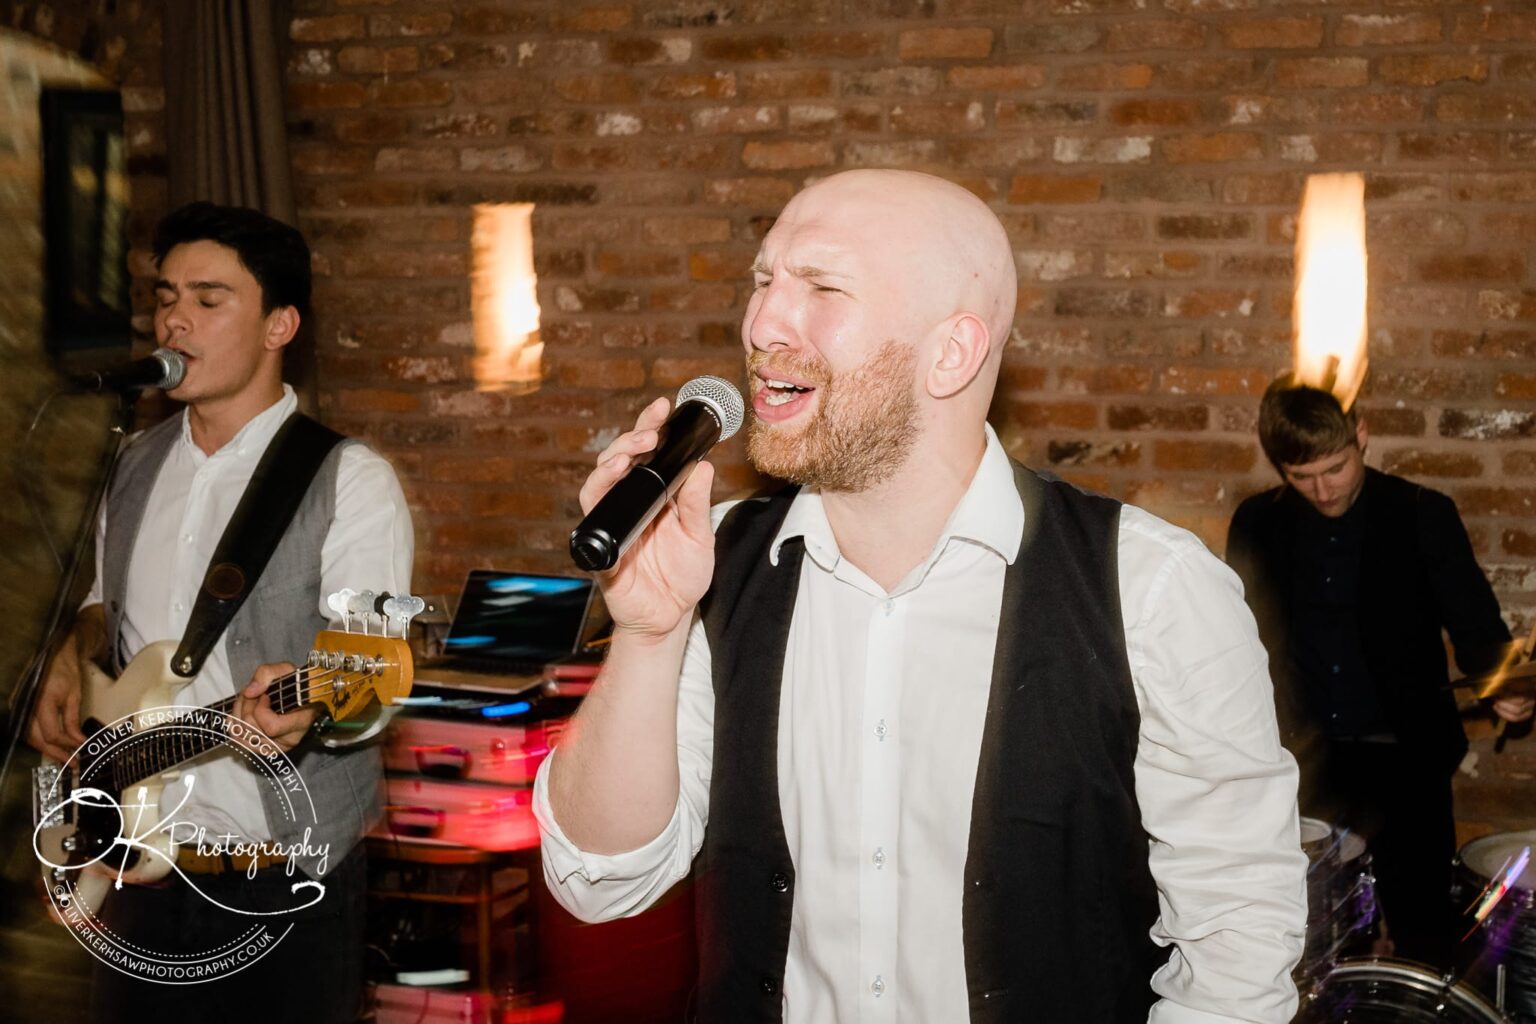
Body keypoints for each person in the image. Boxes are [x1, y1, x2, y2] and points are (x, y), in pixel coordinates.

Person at [535, 169, 1307, 1023]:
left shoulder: (1152, 587)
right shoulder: (715, 562)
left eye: (822, 287)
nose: (761, 324)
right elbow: (598, 880)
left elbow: (1238, 941)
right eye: (763, 282)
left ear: (953, 351)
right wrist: (649, 633)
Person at [25, 202, 414, 1022]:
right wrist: (70, 647)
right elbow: (105, 606)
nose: (174, 318)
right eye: (166, 296)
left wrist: (316, 701)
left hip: (276, 877)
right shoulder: (131, 465)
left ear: (280, 324)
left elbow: (370, 674)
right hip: (132, 862)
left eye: (209, 299)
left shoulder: (347, 479)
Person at [1226, 378, 1534, 970]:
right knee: (1313, 939)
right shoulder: (1258, 523)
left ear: (1361, 435)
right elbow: (1239, 637)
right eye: (1301, 475)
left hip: (1405, 760)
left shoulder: (1422, 514)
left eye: (1335, 468)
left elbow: (1476, 627)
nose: (1322, 489)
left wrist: (1508, 690)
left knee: (1423, 930)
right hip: (1303, 760)